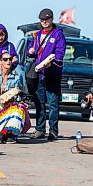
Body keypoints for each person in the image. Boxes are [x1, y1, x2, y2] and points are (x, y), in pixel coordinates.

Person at [28, 8, 66, 141]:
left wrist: (53, 62)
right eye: (42, 20)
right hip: (39, 72)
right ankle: (40, 129)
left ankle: (53, 131)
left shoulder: (58, 34)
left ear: (51, 19)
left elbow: (60, 52)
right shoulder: (37, 34)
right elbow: (31, 50)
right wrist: (31, 50)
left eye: (47, 19)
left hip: (52, 72)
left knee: (53, 103)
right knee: (39, 103)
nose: (44, 22)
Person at [0, 51, 28, 143]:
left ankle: (5, 133)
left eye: (10, 59)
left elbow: (20, 93)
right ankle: (5, 133)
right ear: (0, 61)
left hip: (10, 104)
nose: (8, 61)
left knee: (19, 108)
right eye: (5, 59)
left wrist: (19, 97)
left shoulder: (16, 76)